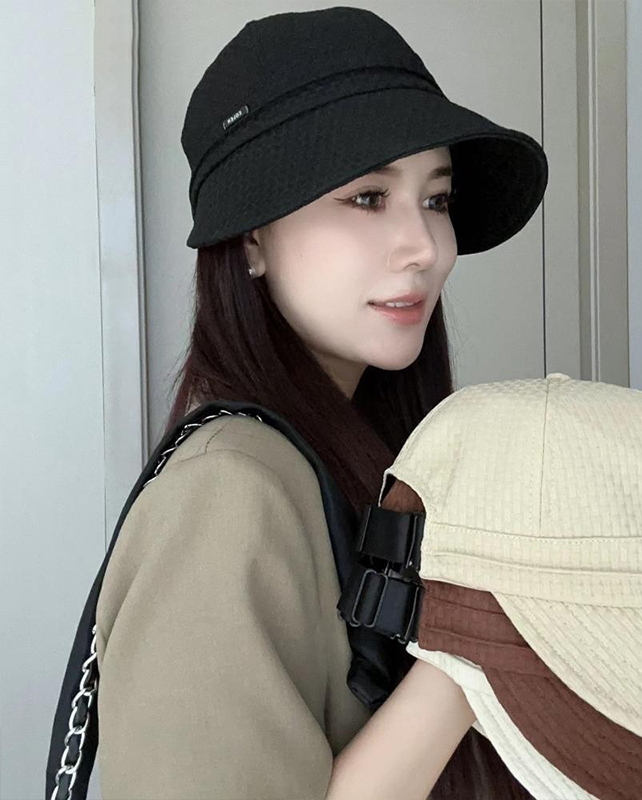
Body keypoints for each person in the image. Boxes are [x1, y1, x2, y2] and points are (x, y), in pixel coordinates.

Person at [90, 7, 548, 799]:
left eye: (437, 199)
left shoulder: (364, 460)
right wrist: (475, 639)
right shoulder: (227, 497)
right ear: (253, 240)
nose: (426, 247)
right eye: (368, 197)